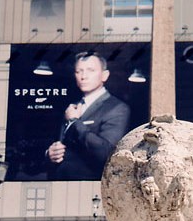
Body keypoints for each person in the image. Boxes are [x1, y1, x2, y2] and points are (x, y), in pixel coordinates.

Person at [46, 52, 131, 180]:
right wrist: (49, 153)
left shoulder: (118, 108)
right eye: (78, 71)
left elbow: (106, 153)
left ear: (104, 75)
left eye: (90, 70)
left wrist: (74, 122)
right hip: (60, 184)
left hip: (90, 187)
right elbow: (59, 144)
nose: (83, 76)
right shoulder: (72, 106)